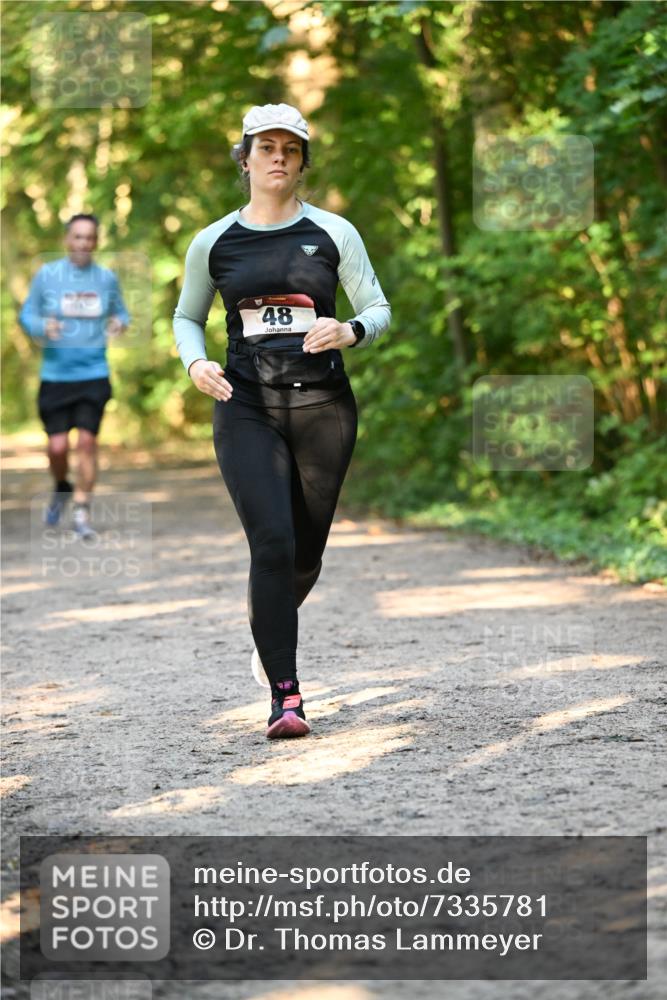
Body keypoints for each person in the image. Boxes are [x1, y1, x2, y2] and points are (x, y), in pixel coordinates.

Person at [173, 103, 391, 740]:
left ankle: (269, 624)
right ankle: (286, 696)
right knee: (271, 543)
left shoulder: (333, 233)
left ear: (301, 164)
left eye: (290, 150)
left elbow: (377, 308)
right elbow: (187, 317)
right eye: (265, 147)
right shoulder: (213, 241)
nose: (277, 157)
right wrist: (194, 363)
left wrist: (349, 329)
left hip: (323, 407)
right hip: (245, 406)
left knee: (305, 553)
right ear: (245, 159)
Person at [19, 214, 130, 538]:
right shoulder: (47, 276)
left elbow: (121, 311)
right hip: (55, 375)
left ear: (96, 242)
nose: (83, 243)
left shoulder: (106, 279)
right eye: (78, 237)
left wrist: (119, 323)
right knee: (56, 447)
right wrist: (42, 326)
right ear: (67, 240)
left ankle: (82, 513)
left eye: (89, 237)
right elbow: (27, 314)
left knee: (86, 442)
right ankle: (62, 486)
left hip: (94, 373)